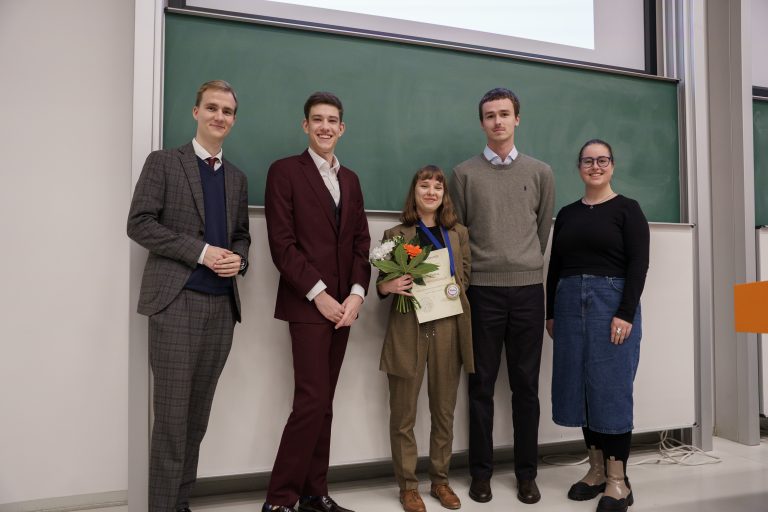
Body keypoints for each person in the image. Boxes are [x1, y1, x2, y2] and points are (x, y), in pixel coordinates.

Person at [127, 79, 251, 512]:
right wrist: (199, 252)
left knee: (196, 420)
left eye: (228, 111)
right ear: (196, 112)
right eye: (212, 108)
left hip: (221, 309)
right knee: (172, 421)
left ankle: (179, 504)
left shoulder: (236, 178)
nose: (220, 116)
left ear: (234, 120)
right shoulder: (163, 163)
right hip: (176, 304)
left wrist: (239, 259)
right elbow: (139, 223)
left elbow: (240, 236)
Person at [263, 92, 371, 512]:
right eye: (317, 120)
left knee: (324, 402)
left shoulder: (352, 180)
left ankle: (313, 492)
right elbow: (282, 245)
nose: (325, 127)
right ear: (304, 126)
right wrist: (320, 296)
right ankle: (278, 500)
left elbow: (361, 242)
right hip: (308, 305)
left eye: (332, 121)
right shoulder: (285, 172)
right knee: (310, 401)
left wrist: (357, 296)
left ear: (342, 128)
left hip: (344, 309)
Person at [449, 87, 555, 505]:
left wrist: (523, 261)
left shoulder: (540, 172)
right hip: (483, 294)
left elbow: (542, 229)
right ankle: (481, 475)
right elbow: (459, 233)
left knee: (526, 388)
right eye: (490, 115)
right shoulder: (463, 174)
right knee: (481, 387)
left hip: (529, 291)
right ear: (482, 123)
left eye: (504, 114)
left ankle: (527, 475)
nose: (497, 121)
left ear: (517, 119)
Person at [545, 139, 649, 512]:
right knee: (579, 388)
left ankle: (618, 482)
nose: (595, 166)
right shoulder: (569, 214)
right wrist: (550, 312)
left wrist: (625, 312)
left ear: (612, 165)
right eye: (588, 161)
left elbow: (638, 266)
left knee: (610, 389)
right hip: (569, 304)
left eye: (602, 160)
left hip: (612, 305)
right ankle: (595, 471)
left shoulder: (628, 210)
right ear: (579, 167)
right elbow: (555, 266)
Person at [378, 165, 474, 512]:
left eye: (437, 186)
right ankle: (407, 486)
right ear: (414, 191)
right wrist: (389, 285)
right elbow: (381, 285)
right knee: (403, 414)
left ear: (444, 194)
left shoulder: (457, 233)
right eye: (424, 185)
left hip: (447, 327)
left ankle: (440, 481)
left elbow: (464, 278)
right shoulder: (395, 233)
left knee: (443, 411)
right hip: (408, 329)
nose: (431, 191)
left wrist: (451, 286)